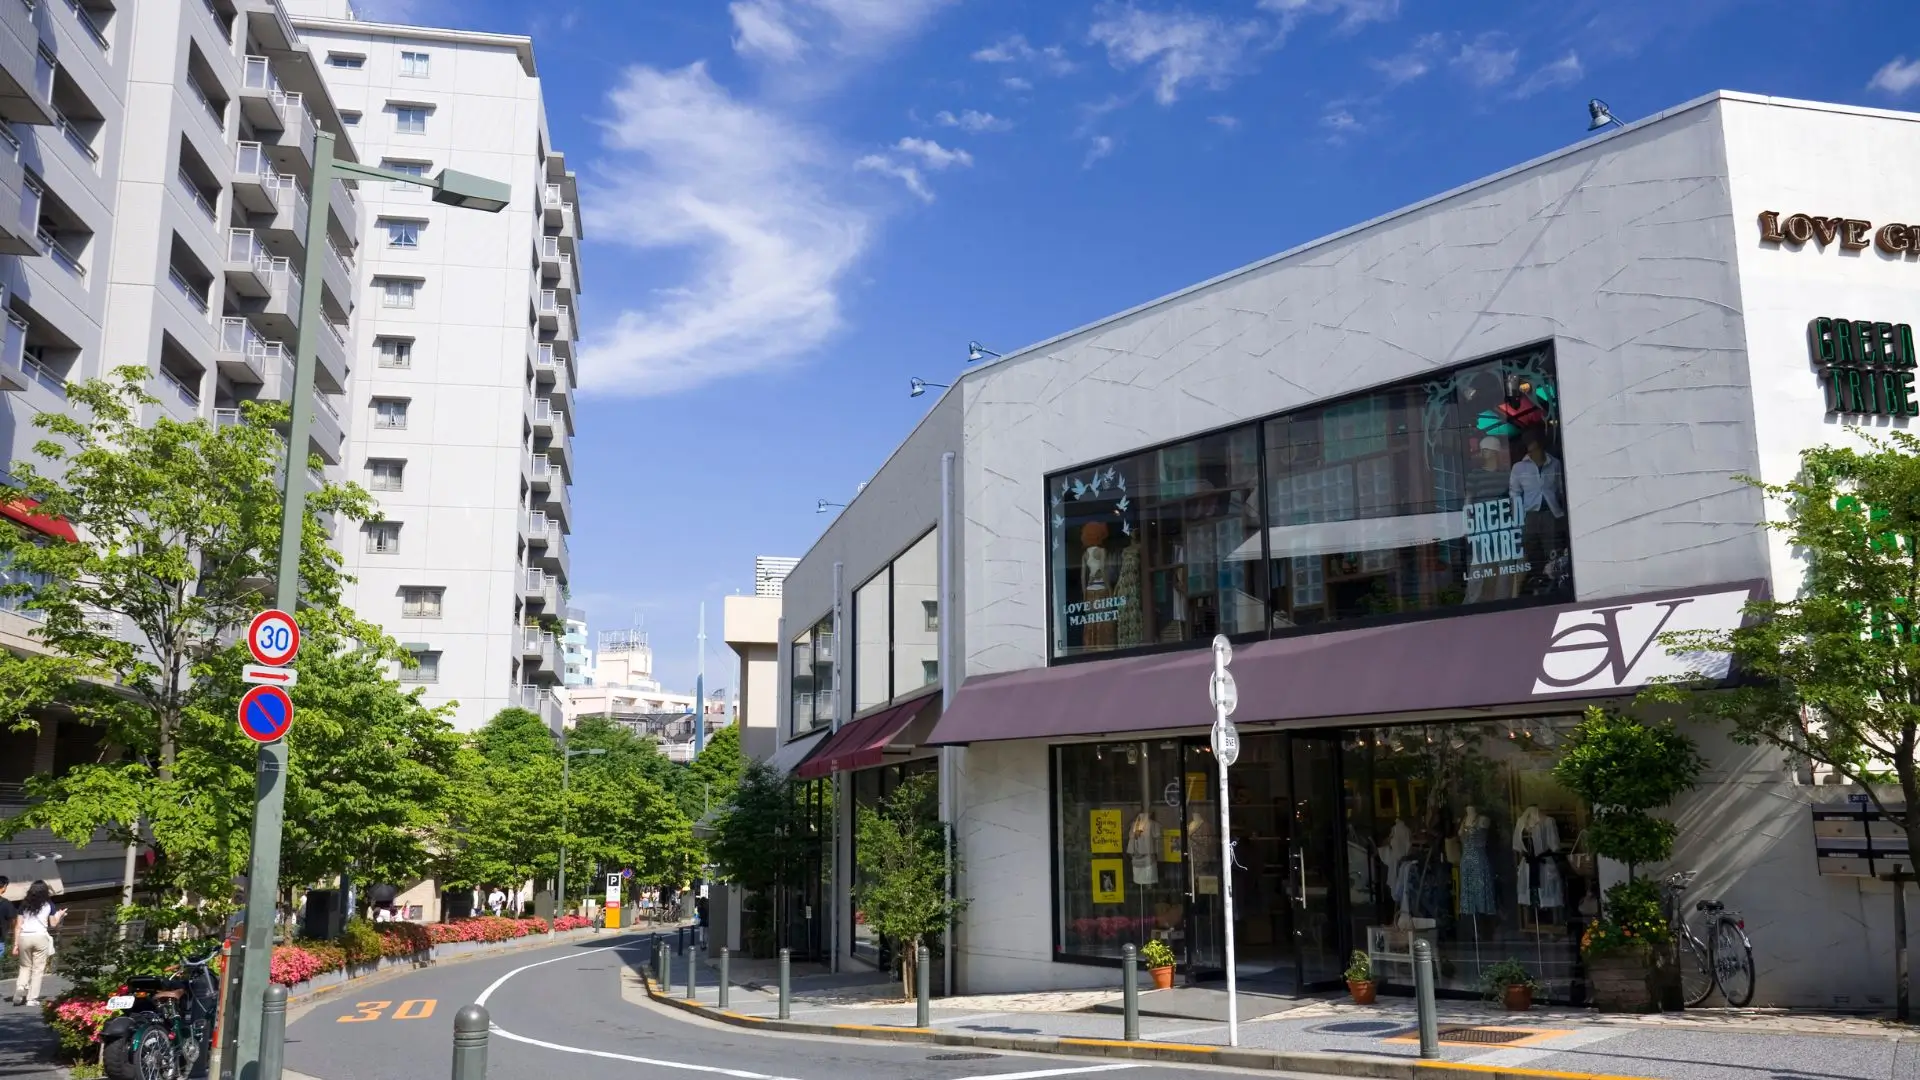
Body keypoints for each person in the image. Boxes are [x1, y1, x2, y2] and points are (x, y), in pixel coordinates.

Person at [10, 881, 63, 1007]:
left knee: (24, 966)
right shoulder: (49, 904)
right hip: (40, 937)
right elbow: (53, 924)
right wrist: (60, 915)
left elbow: (18, 926)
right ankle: (31, 998)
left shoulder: (24, 905)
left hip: (24, 937)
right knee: (38, 969)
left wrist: (15, 945)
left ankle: (21, 987)